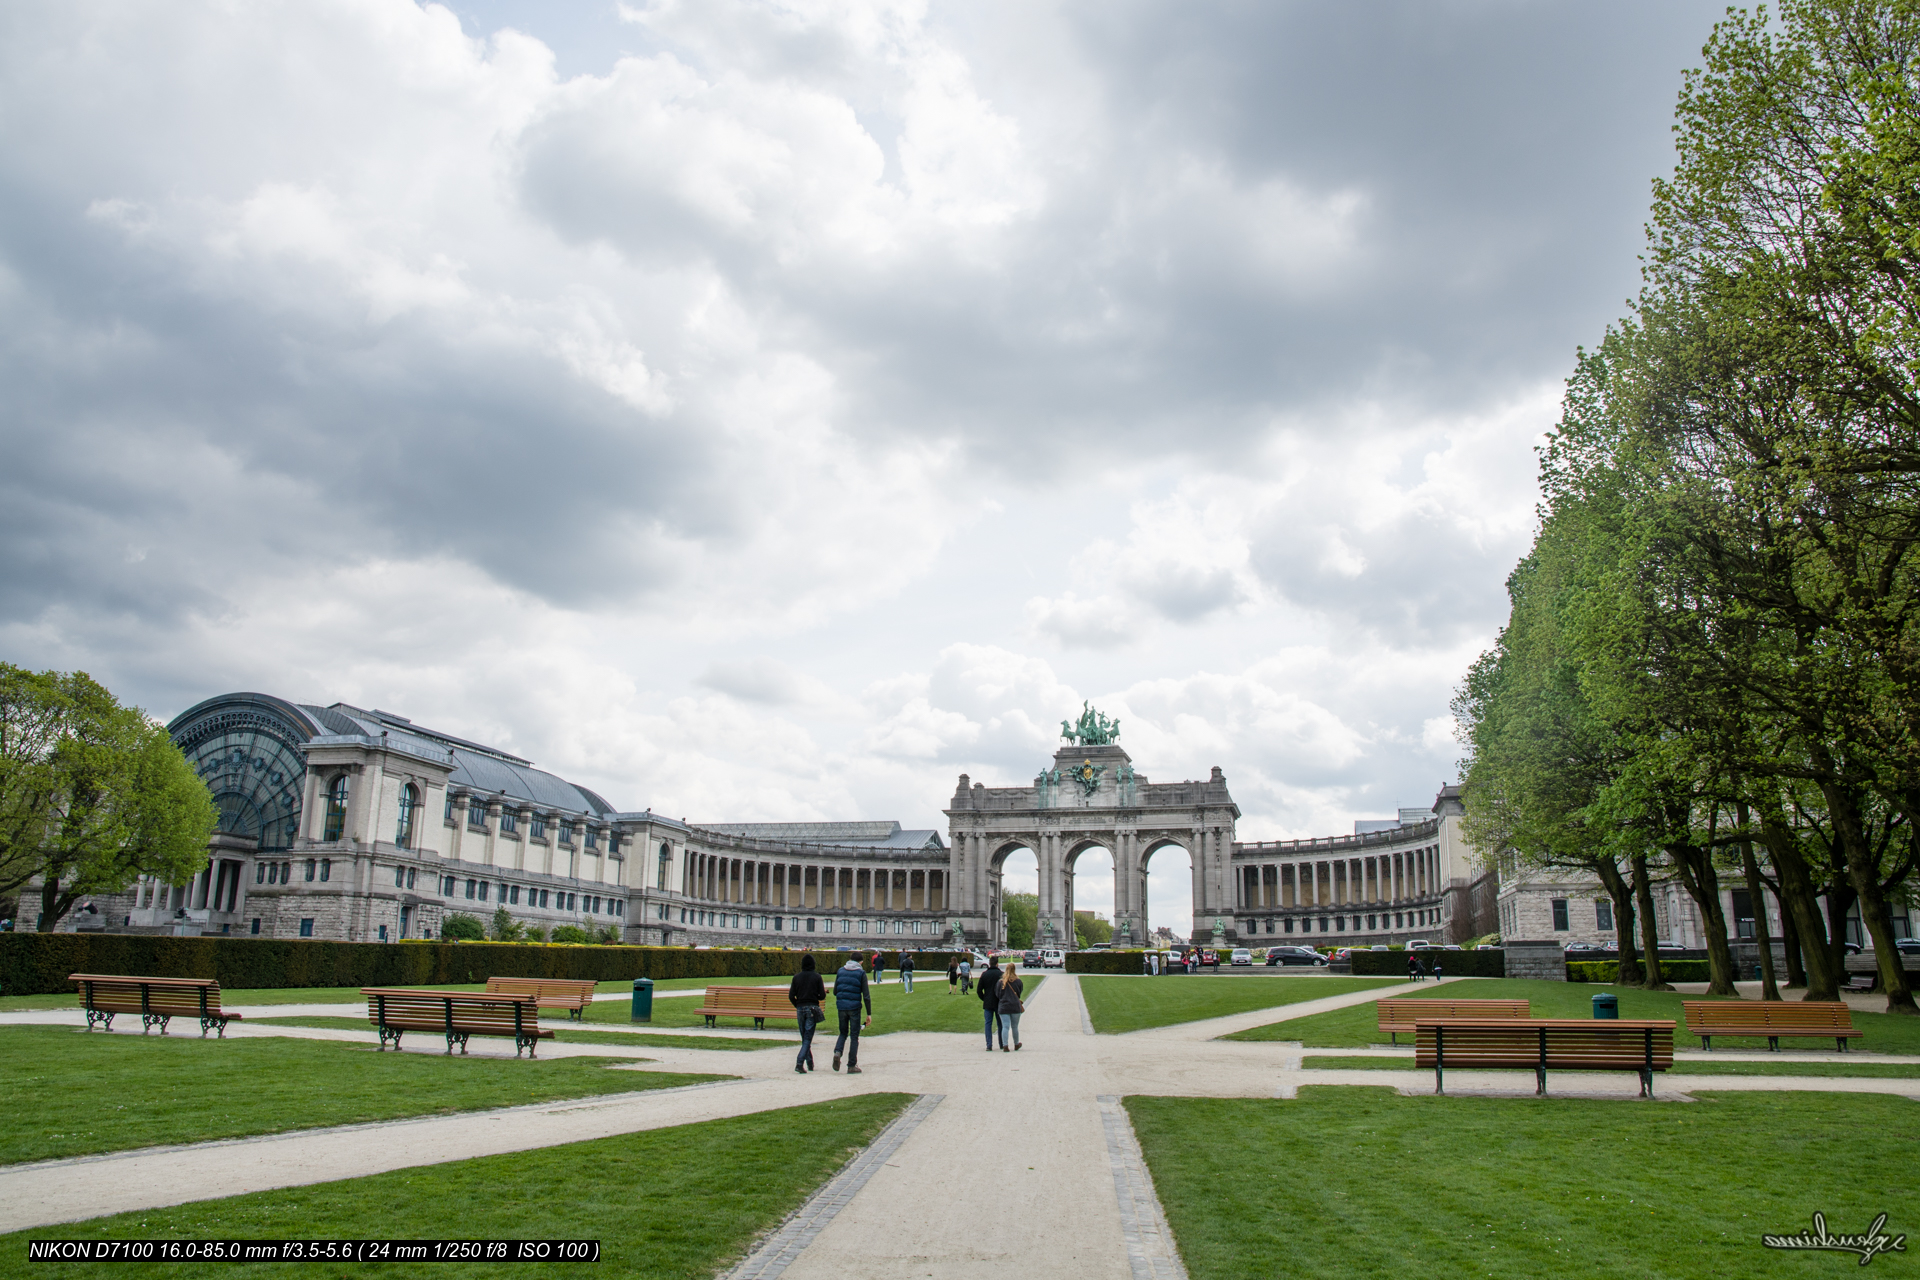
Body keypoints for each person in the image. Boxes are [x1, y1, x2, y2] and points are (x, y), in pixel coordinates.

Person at [831, 954, 871, 1073]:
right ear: (861, 962)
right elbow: (866, 995)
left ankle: (837, 1052)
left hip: (842, 1007)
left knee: (843, 1033)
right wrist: (869, 1013)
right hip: (854, 1008)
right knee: (854, 1036)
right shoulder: (861, 973)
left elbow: (835, 991)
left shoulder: (840, 971)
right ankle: (851, 1065)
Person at [787, 954, 826, 1074]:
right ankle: (799, 1062)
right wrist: (816, 996)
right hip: (812, 1008)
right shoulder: (817, 977)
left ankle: (810, 1062)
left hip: (800, 1008)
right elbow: (822, 996)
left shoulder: (796, 977)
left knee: (805, 1037)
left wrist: (798, 1004)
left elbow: (791, 995)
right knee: (808, 1037)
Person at [977, 955, 1004, 1051]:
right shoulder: (1001, 974)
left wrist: (984, 998)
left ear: (989, 964)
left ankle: (989, 1045)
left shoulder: (984, 974)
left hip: (988, 1001)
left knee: (988, 1023)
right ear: (997, 964)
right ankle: (1001, 1043)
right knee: (1000, 1023)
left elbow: (979, 990)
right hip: (999, 1002)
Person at [997, 961, 1025, 1052]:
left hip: (1004, 1006)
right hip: (1014, 1006)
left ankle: (1005, 1045)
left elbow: (998, 994)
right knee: (1015, 1026)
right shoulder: (1018, 981)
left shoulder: (1001, 982)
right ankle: (1016, 1043)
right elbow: (1019, 993)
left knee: (1005, 1026)